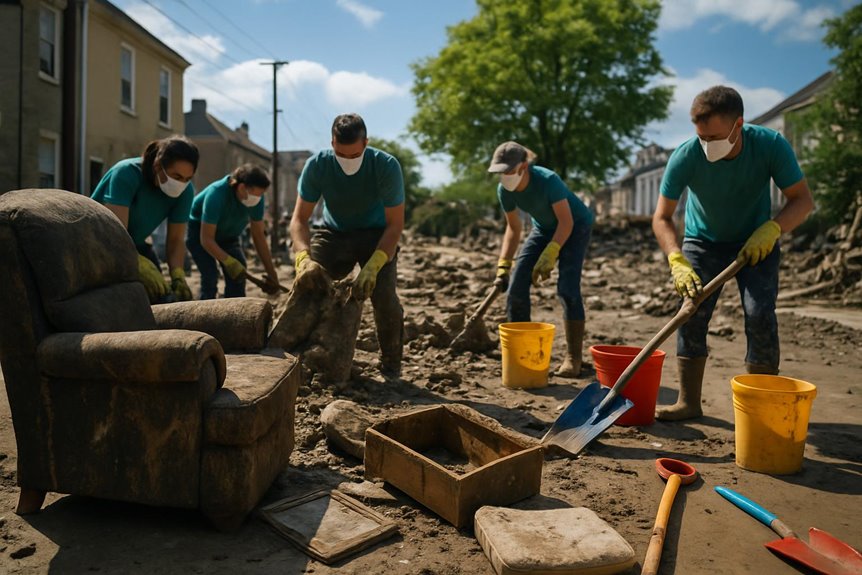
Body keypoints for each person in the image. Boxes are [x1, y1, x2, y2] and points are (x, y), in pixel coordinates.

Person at [652, 85, 814, 421]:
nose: (706, 146)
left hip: (756, 241)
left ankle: (761, 409)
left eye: (713, 137)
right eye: (701, 137)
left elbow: (802, 200)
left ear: (738, 125)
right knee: (691, 312)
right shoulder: (686, 156)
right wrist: (676, 259)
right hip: (702, 241)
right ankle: (688, 402)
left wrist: (772, 229)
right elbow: (662, 217)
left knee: (759, 315)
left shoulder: (769, 145)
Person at [289, 113, 405, 378]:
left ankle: (391, 365)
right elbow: (299, 220)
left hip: (377, 234)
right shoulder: (317, 166)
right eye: (342, 155)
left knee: (385, 298)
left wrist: (375, 264)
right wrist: (303, 258)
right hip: (334, 233)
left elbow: (395, 225)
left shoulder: (385, 166)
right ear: (332, 144)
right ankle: (292, 357)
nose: (348, 162)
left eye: (355, 156)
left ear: (366, 143)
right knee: (307, 286)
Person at [488, 141, 594, 377]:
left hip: (576, 226)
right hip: (544, 228)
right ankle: (521, 355)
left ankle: (573, 358)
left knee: (567, 289)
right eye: (499, 172)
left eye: (508, 171)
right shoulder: (505, 190)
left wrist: (551, 252)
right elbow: (513, 229)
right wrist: (503, 265)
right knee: (516, 286)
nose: (504, 177)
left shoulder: (548, 181)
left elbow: (566, 223)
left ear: (523, 166)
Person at [91, 135, 198, 303]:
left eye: (187, 179)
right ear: (158, 166)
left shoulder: (185, 191)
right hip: (100, 243)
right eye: (176, 177)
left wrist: (178, 275)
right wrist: (136, 262)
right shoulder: (127, 173)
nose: (181, 184)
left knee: (164, 295)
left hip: (136, 245)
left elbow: (176, 240)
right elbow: (115, 233)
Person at [186, 164, 280, 299]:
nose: (259, 199)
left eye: (261, 195)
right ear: (242, 187)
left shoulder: (256, 199)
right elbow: (206, 239)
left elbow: (258, 236)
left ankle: (234, 314)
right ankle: (205, 313)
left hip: (228, 235)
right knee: (210, 274)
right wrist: (228, 261)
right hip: (200, 232)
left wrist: (272, 273)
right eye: (257, 194)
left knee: (238, 274)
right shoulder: (216, 194)